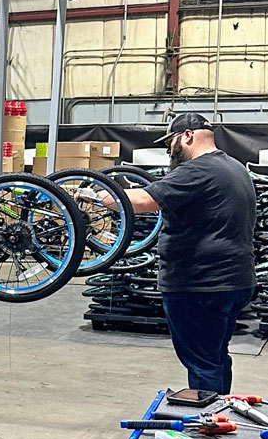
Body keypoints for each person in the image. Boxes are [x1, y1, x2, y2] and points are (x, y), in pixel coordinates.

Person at [95, 113, 256, 394]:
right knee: (215, 356)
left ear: (188, 136)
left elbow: (144, 201)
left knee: (202, 363)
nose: (169, 150)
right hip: (235, 281)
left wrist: (97, 195)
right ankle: (220, 412)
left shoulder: (196, 170)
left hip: (200, 285)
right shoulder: (235, 167)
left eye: (170, 142)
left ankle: (207, 425)